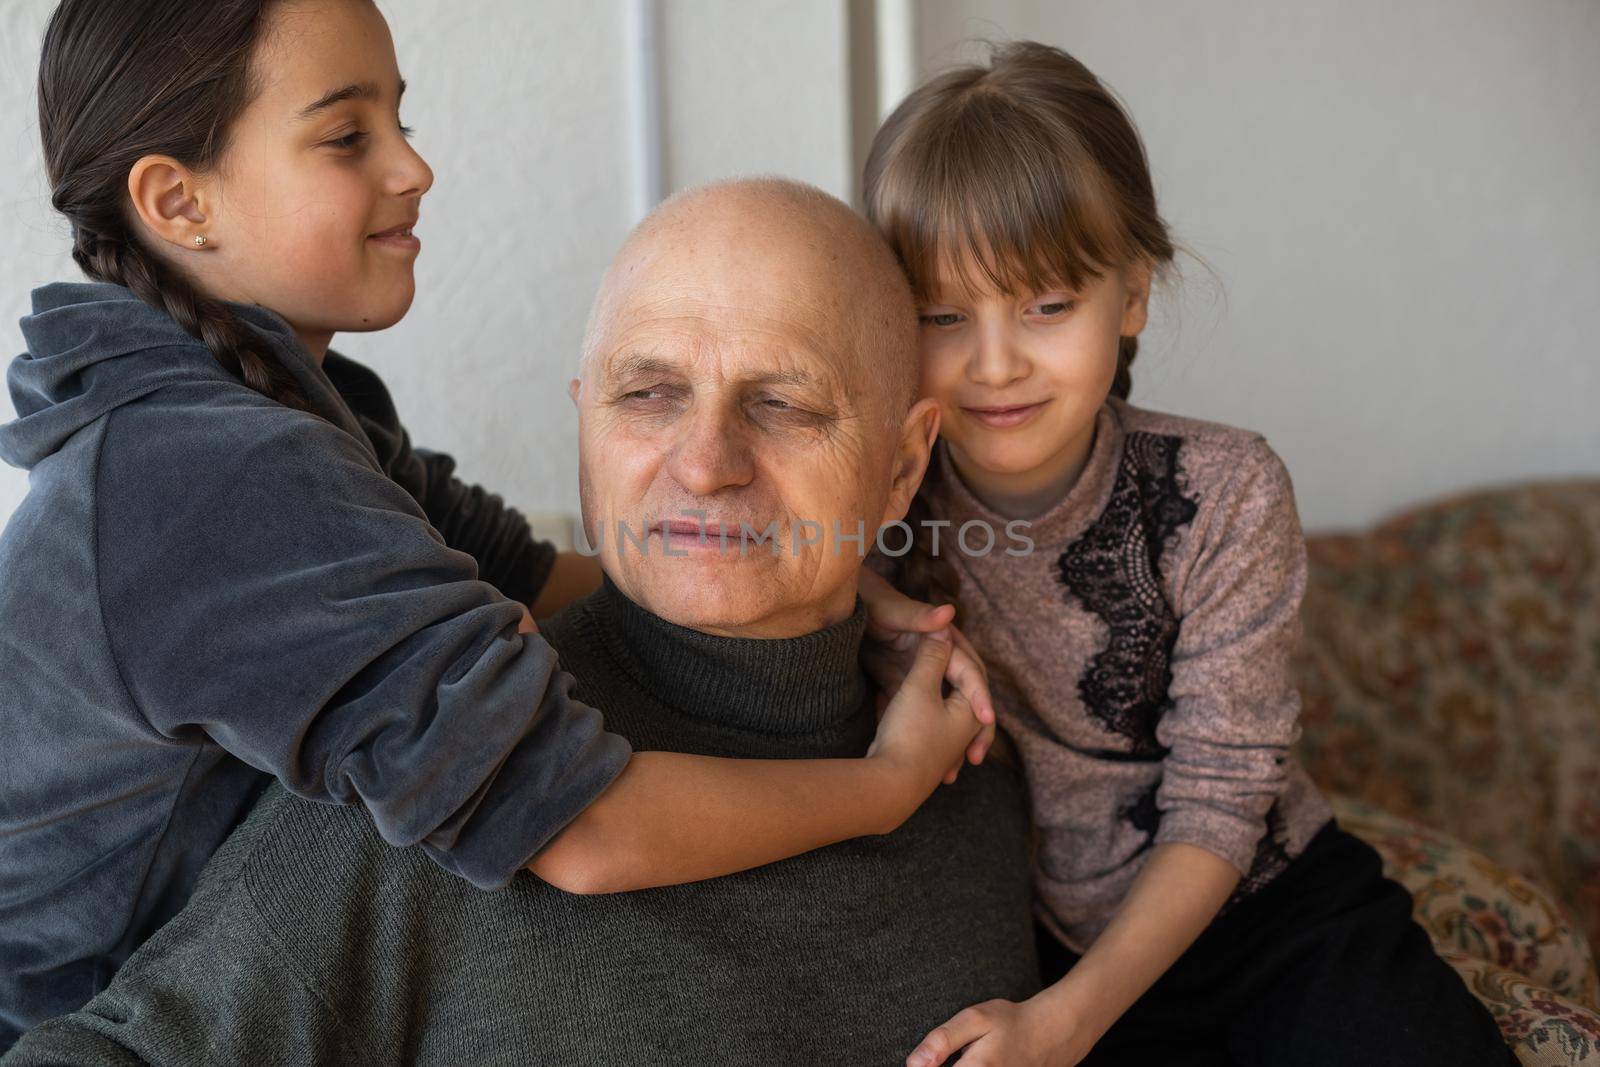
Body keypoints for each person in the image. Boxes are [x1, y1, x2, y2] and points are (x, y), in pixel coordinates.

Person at [0, 0, 992, 1044]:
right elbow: (579, 824)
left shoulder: (295, 410)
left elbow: (527, 564)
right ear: (176, 200)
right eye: (347, 136)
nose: (413, 168)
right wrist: (885, 787)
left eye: (401, 120)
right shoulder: (206, 475)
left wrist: (846, 579)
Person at [862, 41, 1518, 1067]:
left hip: (1268, 917)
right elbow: (756, 577)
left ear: (1131, 294)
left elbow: (1219, 798)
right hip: (1016, 946)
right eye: (941, 315)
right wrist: (865, 592)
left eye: (1046, 305)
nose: (994, 364)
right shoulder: (875, 500)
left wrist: (1068, 1021)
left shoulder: (1223, 490)